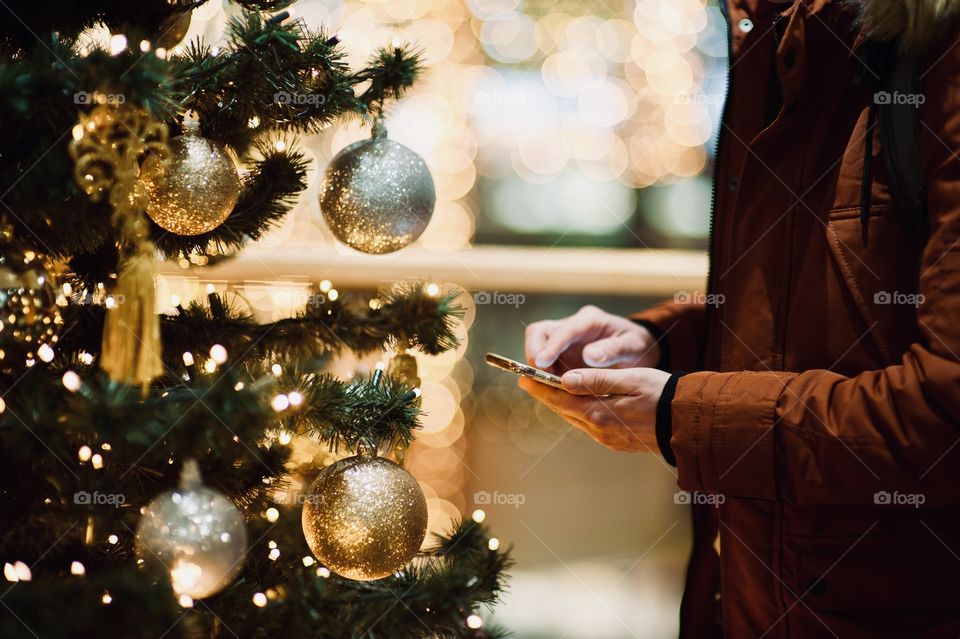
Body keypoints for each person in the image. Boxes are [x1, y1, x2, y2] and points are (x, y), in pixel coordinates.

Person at [519, 1, 960, 637]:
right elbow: (794, 313)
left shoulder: (931, 51)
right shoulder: (774, 34)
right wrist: (659, 343)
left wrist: (683, 415)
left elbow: (944, 410)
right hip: (756, 594)